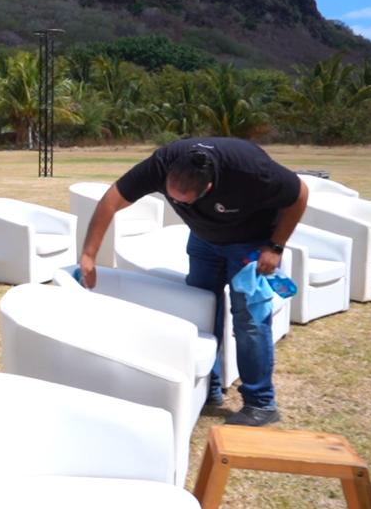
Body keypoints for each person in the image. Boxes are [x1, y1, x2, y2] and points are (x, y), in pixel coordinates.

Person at [77, 137, 308, 427]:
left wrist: (275, 246)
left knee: (249, 320)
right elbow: (111, 200)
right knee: (201, 312)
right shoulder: (161, 163)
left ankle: (260, 402)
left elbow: (299, 195)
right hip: (204, 240)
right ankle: (207, 390)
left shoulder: (250, 169)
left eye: (187, 201)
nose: (178, 203)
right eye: (174, 198)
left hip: (250, 244)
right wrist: (88, 254)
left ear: (208, 188)